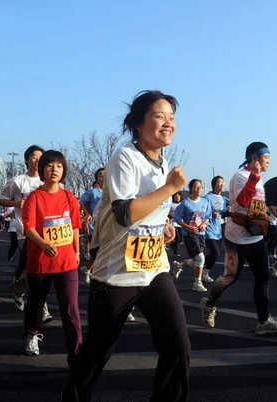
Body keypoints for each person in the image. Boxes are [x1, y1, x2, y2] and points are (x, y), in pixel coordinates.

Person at [63, 90, 190, 402]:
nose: (168, 124)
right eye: (160, 116)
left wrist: (164, 226)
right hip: (117, 275)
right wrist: (170, 189)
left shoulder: (163, 164)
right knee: (97, 353)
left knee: (178, 347)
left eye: (171, 118)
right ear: (137, 123)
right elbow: (125, 213)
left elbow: (150, 211)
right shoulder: (125, 157)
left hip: (154, 269)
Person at [200, 142, 277, 335]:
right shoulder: (240, 177)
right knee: (230, 278)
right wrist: (254, 177)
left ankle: (263, 321)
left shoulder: (259, 180)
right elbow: (242, 202)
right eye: (266, 158)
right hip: (237, 239)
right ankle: (209, 303)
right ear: (255, 158)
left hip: (255, 238)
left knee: (263, 278)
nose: (269, 162)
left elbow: (255, 206)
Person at [21, 150, 82, 363]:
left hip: (66, 263)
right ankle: (31, 333)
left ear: (63, 170)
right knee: (36, 303)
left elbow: (75, 227)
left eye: (58, 165)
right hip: (40, 262)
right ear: (42, 170)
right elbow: (28, 228)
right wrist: (43, 244)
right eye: (49, 165)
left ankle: (76, 350)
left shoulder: (69, 197)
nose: (53, 169)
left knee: (70, 306)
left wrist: (77, 251)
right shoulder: (34, 198)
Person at [0, 145, 53, 321]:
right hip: (25, 232)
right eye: (33, 156)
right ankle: (43, 309)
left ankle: (18, 289)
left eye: (40, 157)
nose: (37, 159)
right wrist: (16, 204)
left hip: (47, 232)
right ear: (26, 160)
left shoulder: (48, 181)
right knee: (38, 269)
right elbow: (2, 200)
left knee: (39, 270)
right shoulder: (17, 181)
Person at [172, 179, 212, 292]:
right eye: (196, 187)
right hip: (190, 235)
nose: (199, 189)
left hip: (201, 234)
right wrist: (187, 227)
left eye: (200, 187)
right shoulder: (185, 203)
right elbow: (177, 218)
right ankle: (197, 283)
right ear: (191, 188)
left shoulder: (205, 202)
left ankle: (178, 266)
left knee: (196, 260)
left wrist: (205, 224)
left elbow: (208, 217)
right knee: (200, 258)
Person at [202, 175, 229, 282]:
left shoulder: (223, 199)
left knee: (213, 254)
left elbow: (222, 214)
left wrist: (231, 213)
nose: (222, 184)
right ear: (214, 185)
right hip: (208, 230)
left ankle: (197, 264)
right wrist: (211, 214)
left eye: (223, 182)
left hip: (218, 230)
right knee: (215, 254)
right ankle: (204, 272)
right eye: (220, 182)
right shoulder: (207, 198)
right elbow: (201, 211)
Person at [168, 192, 183, 256]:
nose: (177, 197)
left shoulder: (182, 204)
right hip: (173, 223)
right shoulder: (171, 205)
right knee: (177, 238)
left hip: (180, 223)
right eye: (176, 196)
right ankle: (175, 251)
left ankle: (172, 244)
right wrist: (170, 215)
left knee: (180, 239)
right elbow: (167, 213)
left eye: (178, 196)